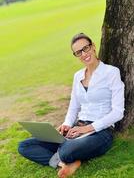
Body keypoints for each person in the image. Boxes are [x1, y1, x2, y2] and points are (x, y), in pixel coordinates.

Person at [18, 33, 125, 178]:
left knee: (67, 149)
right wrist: (67, 124)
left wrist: (86, 129)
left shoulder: (111, 72)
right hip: (75, 130)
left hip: (100, 132)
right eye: (78, 52)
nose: (84, 54)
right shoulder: (78, 76)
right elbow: (74, 106)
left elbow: (118, 112)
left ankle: (65, 155)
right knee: (24, 146)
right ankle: (63, 164)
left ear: (93, 46)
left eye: (85, 48)